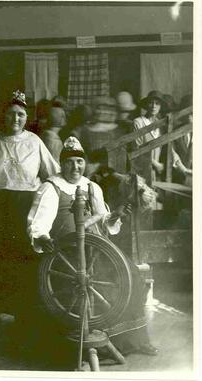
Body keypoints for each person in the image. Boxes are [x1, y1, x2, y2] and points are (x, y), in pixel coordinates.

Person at [28, 137, 158, 358]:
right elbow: (37, 223)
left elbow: (103, 220)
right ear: (62, 163)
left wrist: (114, 215)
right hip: (66, 253)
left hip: (97, 249)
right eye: (70, 162)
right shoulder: (50, 188)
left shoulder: (91, 186)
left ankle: (132, 340)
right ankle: (81, 346)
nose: (75, 167)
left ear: (84, 163)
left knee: (131, 276)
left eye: (80, 162)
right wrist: (42, 237)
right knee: (80, 285)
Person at [0, 90, 60, 329]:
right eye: (11, 114)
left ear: (26, 118)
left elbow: (52, 174)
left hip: (24, 208)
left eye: (21, 115)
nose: (16, 119)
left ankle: (23, 315)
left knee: (24, 259)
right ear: (2, 116)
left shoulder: (35, 142)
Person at [133, 91, 168, 188]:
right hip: (142, 166)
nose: (153, 106)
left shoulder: (161, 124)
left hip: (157, 170)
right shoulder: (138, 122)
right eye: (151, 103)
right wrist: (155, 164)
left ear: (160, 107)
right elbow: (137, 148)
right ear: (146, 105)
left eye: (157, 104)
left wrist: (159, 166)